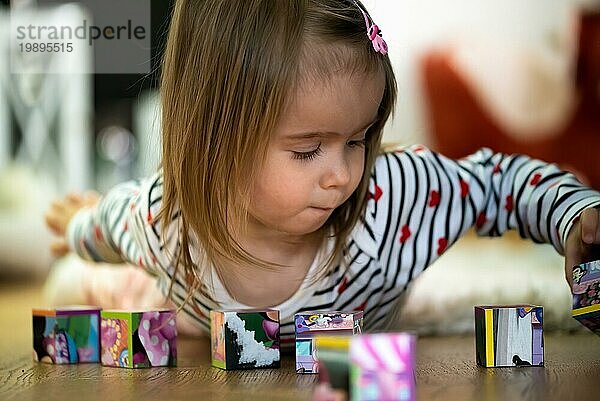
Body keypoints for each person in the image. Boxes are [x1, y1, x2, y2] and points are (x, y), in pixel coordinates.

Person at [46, 0, 600, 349]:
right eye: (308, 150)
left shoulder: (395, 198)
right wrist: (76, 225)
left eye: (357, 140)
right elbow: (105, 224)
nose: (342, 176)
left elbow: (498, 184)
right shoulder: (162, 220)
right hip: (194, 314)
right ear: (214, 144)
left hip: (356, 317)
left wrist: (573, 217)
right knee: (128, 294)